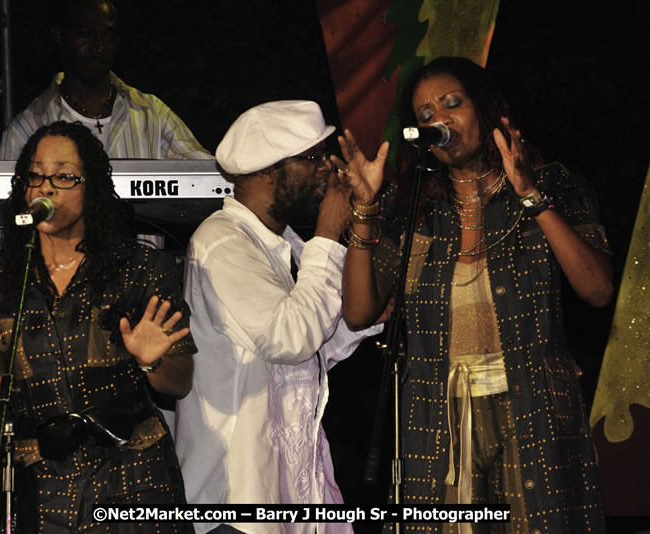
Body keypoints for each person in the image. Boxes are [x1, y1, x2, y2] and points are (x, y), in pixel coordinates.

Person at [336, 57, 612, 533]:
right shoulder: (415, 207)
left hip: (532, 408)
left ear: (485, 108)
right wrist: (365, 209)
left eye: (452, 103)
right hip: (439, 414)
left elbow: (599, 289)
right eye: (426, 115)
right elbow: (359, 312)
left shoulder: (552, 184)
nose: (439, 119)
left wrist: (531, 195)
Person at [0, 121, 197, 533]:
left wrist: (152, 361)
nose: (46, 188)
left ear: (92, 189)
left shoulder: (140, 268)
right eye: (35, 176)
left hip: (134, 476)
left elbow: (180, 382)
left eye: (64, 176)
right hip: (46, 485)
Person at [174, 100, 383, 534]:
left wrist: (363, 215)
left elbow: (327, 341)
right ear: (271, 170)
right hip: (238, 504)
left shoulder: (284, 244)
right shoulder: (221, 242)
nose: (326, 170)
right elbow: (290, 338)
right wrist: (328, 236)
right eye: (312, 158)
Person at [0, 0, 210, 160]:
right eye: (85, 33)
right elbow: (6, 205)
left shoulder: (152, 114)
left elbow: (206, 180)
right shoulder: (28, 129)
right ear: (59, 36)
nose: (98, 46)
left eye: (108, 36)